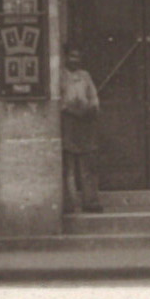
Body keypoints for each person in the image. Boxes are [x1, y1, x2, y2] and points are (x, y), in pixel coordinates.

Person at [60, 48, 104, 214]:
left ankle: (90, 201)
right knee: (68, 166)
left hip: (85, 122)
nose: (74, 60)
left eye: (77, 56)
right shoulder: (60, 76)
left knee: (89, 165)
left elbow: (93, 97)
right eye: (72, 56)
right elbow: (58, 100)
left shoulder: (85, 76)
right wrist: (70, 109)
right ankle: (69, 203)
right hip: (68, 121)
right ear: (66, 57)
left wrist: (91, 109)